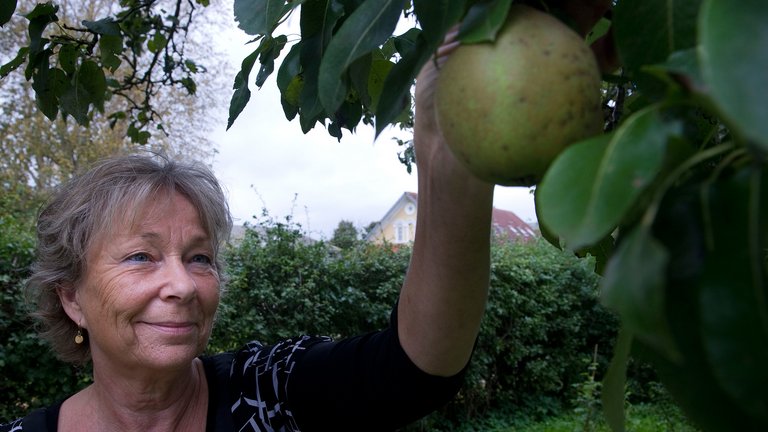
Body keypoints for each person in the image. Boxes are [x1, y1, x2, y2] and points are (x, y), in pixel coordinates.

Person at [0, 28, 494, 431]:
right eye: (140, 257)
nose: (183, 285)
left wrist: (450, 150)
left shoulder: (271, 393)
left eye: (199, 257)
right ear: (70, 299)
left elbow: (415, 370)